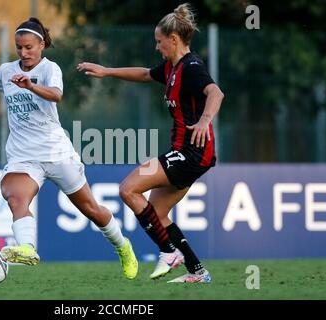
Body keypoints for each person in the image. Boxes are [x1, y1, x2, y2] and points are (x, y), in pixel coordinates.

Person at [0, 17, 138, 280]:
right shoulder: (6, 71)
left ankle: (123, 246)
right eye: (19, 47)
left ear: (41, 44)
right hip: (24, 156)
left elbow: (56, 95)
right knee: (15, 197)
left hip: (57, 153)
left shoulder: (49, 69)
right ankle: (28, 249)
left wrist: (31, 85)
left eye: (29, 47)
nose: (24, 52)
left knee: (90, 209)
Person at [77, 3, 224, 283]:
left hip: (192, 152)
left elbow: (216, 92)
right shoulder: (171, 67)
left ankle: (168, 252)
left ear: (173, 38)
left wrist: (205, 120)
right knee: (157, 213)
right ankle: (198, 272)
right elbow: (145, 74)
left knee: (128, 189)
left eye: (159, 41)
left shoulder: (191, 66)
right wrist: (107, 71)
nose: (157, 47)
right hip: (188, 153)